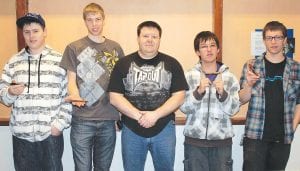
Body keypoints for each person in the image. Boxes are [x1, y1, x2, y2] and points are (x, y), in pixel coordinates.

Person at [108, 21, 188, 171]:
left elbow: (179, 96)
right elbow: (114, 97)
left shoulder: (172, 63)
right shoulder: (123, 64)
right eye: (145, 36)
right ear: (138, 38)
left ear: (159, 39)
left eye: (154, 36)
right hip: (131, 129)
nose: (150, 40)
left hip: (164, 129)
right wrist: (139, 117)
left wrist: (155, 115)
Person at [0, 13, 72, 171]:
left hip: (50, 136)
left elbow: (68, 96)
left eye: (35, 30)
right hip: (21, 137)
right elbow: (3, 96)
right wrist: (10, 92)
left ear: (44, 32)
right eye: (27, 32)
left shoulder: (60, 60)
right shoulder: (13, 62)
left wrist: (59, 125)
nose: (31, 36)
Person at [60, 3, 124, 171]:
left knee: (103, 168)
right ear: (85, 22)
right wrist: (74, 96)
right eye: (90, 20)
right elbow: (71, 80)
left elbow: (120, 86)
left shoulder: (115, 48)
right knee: (82, 169)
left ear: (104, 20)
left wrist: (120, 116)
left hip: (108, 119)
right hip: (82, 120)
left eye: (98, 19)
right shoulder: (74, 48)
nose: (94, 24)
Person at [239, 21, 300, 171]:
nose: (274, 41)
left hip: (283, 137)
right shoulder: (252, 66)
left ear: (285, 40)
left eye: (278, 37)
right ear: (264, 40)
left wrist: (292, 128)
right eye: (269, 37)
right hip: (255, 137)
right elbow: (241, 99)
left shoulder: (296, 68)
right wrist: (249, 85)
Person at [179, 31, 240, 171]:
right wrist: (198, 92)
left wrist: (223, 93)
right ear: (197, 51)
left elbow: (234, 109)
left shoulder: (229, 78)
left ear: (218, 50)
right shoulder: (188, 76)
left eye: (213, 45)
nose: (209, 49)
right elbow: (183, 107)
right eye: (204, 46)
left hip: (222, 143)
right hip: (194, 143)